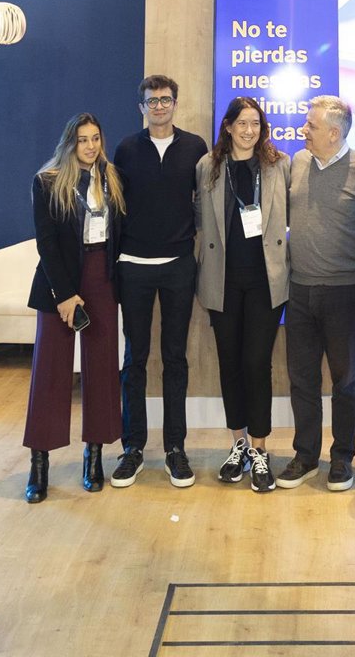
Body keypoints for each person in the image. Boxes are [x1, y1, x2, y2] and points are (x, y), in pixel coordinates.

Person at [111, 75, 207, 489]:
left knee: (175, 358)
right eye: (152, 101)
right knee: (135, 358)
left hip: (179, 265)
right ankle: (132, 447)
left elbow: (203, 202)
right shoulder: (125, 149)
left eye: (166, 100)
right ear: (142, 107)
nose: (160, 106)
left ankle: (175, 448)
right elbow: (115, 207)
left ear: (175, 103)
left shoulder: (196, 148)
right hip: (133, 265)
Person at [24, 113, 126, 503]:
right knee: (50, 370)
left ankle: (94, 455)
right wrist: (65, 294)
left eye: (95, 138)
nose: (90, 146)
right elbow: (46, 242)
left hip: (102, 277)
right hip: (59, 280)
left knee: (102, 367)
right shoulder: (47, 181)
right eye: (83, 139)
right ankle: (39, 464)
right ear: (70, 143)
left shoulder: (112, 179)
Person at [196, 97, 291, 492]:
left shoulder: (279, 165)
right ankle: (237, 445)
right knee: (230, 363)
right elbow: (199, 222)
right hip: (223, 282)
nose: (249, 130)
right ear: (229, 127)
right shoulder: (208, 167)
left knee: (256, 363)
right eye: (242, 123)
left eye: (256, 123)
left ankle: (260, 449)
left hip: (266, 282)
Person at [276, 96, 355, 492]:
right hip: (299, 290)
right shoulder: (297, 162)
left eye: (310, 126)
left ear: (334, 133)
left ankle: (342, 457)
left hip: (345, 293)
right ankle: (306, 455)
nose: (303, 131)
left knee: (345, 381)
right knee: (302, 379)